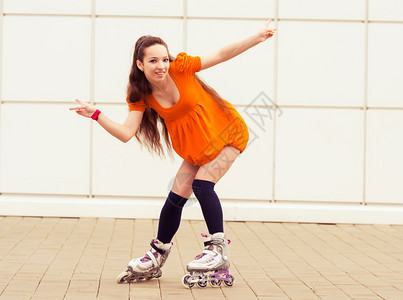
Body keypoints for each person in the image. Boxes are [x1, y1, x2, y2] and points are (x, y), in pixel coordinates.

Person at [70, 19, 276, 288]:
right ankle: (158, 252)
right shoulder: (141, 95)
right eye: (153, 61)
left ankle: (217, 249)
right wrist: (96, 114)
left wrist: (257, 37)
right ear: (140, 64)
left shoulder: (182, 67)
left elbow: (222, 54)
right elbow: (125, 133)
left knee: (203, 185)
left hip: (228, 135)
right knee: (176, 196)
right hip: (196, 149)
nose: (162, 66)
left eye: (164, 59)